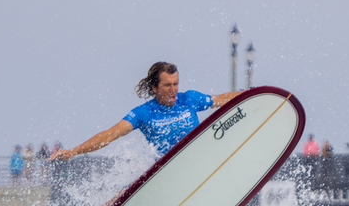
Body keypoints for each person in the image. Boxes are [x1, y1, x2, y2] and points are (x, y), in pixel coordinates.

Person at [51, 62, 238, 163]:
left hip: (200, 161)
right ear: (154, 87)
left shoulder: (189, 99)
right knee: (115, 199)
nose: (173, 89)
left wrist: (255, 94)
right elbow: (109, 135)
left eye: (175, 83)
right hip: (166, 170)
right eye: (167, 85)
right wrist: (74, 151)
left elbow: (222, 99)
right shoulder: (143, 113)